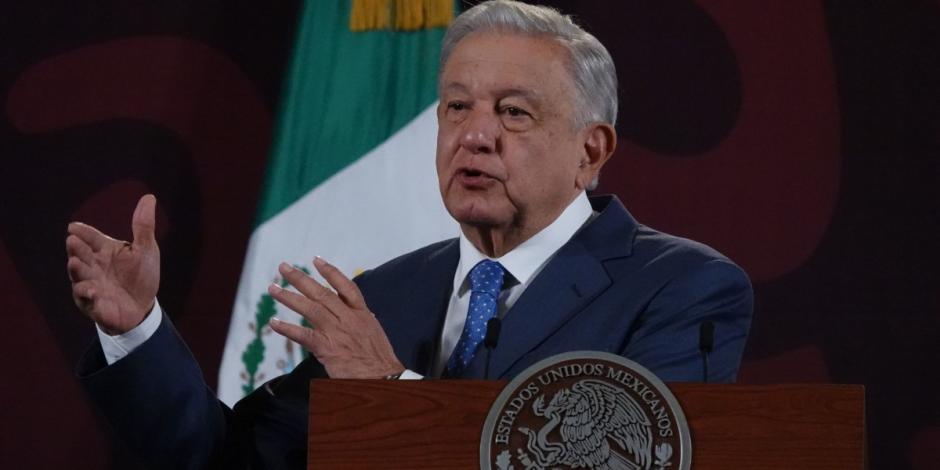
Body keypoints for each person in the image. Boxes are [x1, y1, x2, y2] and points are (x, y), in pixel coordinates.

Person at [65, 1, 752, 468]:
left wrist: (389, 385)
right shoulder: (391, 292)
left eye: (512, 113)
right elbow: (230, 461)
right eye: (456, 106)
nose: (473, 135)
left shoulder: (681, 288)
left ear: (591, 151)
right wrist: (138, 333)